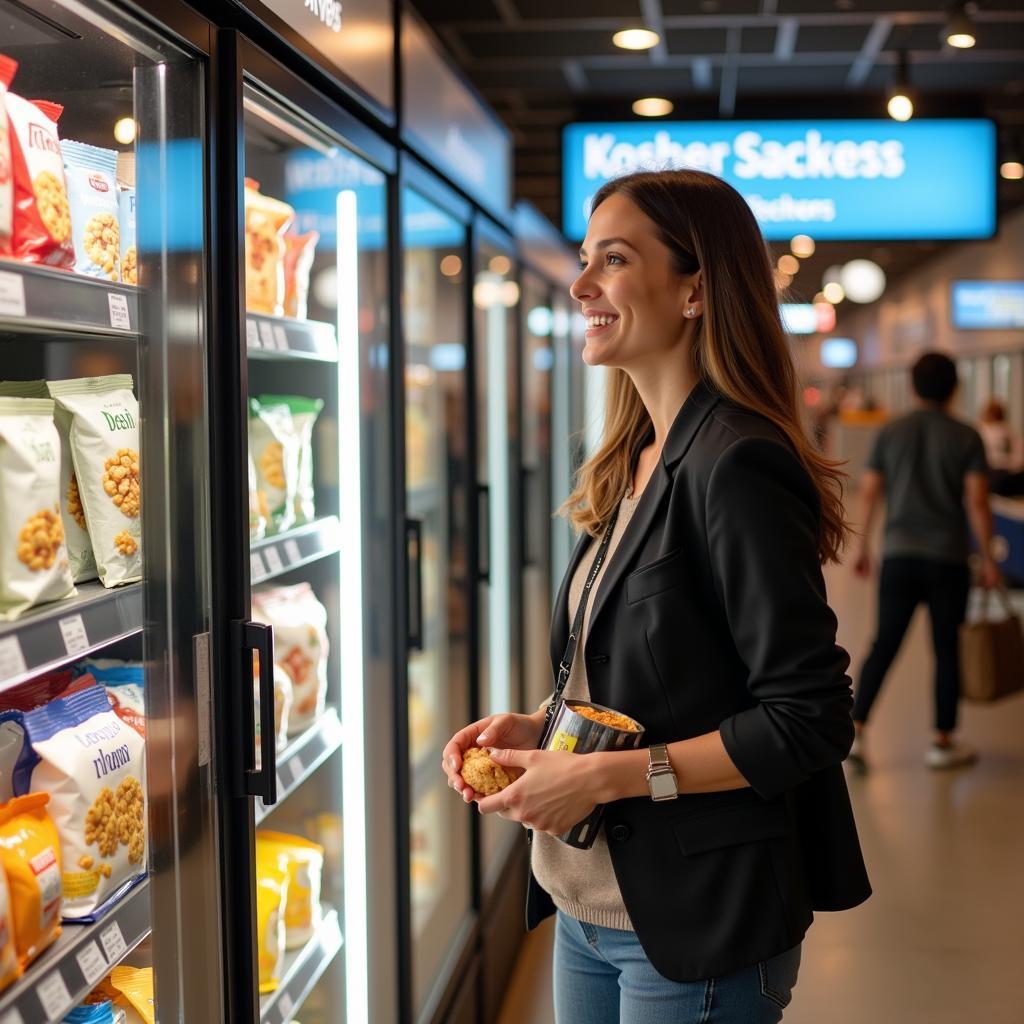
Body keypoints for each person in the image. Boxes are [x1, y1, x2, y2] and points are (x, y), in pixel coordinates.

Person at [442, 169, 870, 1024]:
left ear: (694, 291)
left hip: (696, 919)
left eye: (615, 258)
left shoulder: (737, 463)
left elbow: (808, 717)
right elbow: (654, 664)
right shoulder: (633, 459)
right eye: (585, 257)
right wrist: (546, 728)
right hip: (586, 905)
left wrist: (603, 778)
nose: (581, 283)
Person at [850, 352, 1000, 772]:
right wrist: (988, 558)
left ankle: (857, 733)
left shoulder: (890, 431)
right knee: (946, 648)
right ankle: (942, 741)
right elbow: (977, 502)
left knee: (884, 644)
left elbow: (869, 490)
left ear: (914, 387)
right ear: (954, 387)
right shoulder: (966, 436)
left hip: (899, 555)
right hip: (948, 560)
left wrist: (863, 547)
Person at [977, 397, 1024, 497]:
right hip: (1011, 476)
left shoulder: (981, 431)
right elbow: (1019, 460)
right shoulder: (1010, 432)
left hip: (992, 476)